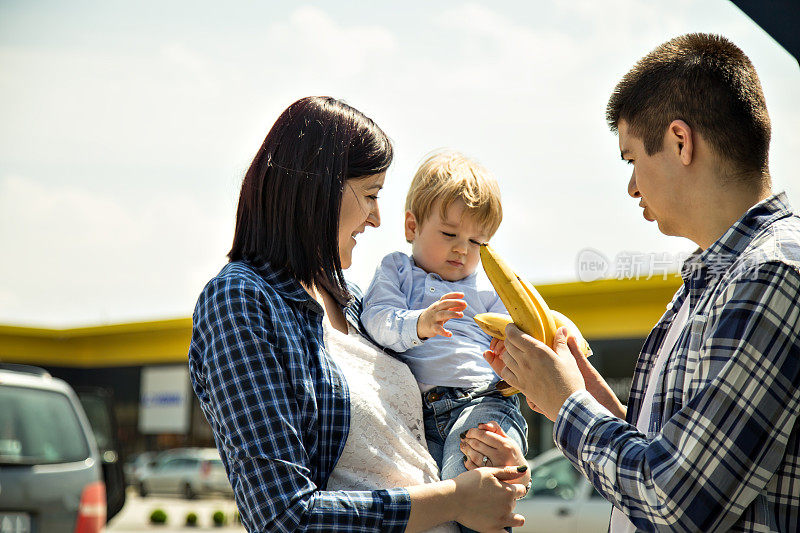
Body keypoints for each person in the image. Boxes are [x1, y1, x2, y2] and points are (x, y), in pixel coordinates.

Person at [486, 33, 800, 532]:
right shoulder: (709, 279)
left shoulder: (774, 275)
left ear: (680, 141)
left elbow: (675, 502)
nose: (631, 186)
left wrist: (567, 405)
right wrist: (582, 391)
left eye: (631, 158)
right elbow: (663, 454)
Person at [188, 96, 529, 533]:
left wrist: (493, 463)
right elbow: (282, 517)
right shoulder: (239, 300)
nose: (376, 217)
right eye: (370, 194)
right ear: (317, 191)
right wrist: (456, 498)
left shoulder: (354, 300)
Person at [360, 151, 528, 498]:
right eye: (450, 233)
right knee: (434, 506)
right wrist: (419, 323)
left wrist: (511, 351)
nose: (463, 250)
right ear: (412, 226)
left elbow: (520, 333)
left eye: (477, 242)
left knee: (471, 484)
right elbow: (375, 317)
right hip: (417, 416)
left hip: (482, 403)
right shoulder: (398, 270)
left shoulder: (489, 286)